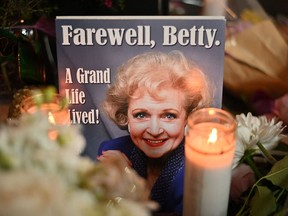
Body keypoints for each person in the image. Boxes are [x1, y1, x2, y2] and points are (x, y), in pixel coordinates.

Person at [97, 50, 212, 215]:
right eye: (141, 115)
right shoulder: (112, 151)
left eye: (169, 115)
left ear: (188, 118)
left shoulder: (197, 177)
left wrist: (129, 187)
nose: (154, 130)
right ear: (125, 115)